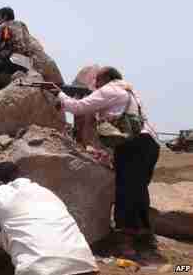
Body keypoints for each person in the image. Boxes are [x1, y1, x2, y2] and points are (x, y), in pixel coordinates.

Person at [41, 67, 160, 257]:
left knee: (124, 189)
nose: (95, 86)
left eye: (97, 82)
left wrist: (58, 93)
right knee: (138, 188)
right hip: (149, 143)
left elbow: (78, 107)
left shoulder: (109, 90)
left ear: (105, 78)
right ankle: (144, 235)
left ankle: (125, 240)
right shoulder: (129, 91)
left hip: (133, 145)